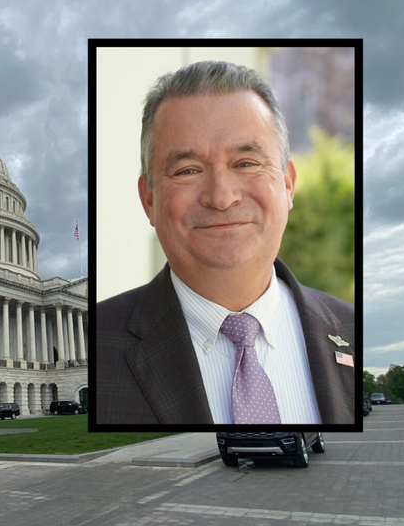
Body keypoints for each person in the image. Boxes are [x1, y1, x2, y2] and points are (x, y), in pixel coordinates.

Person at [96, 60, 355, 425]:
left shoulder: (353, 330)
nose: (221, 196)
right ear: (149, 200)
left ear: (287, 184)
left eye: (246, 163)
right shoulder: (98, 344)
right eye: (188, 171)